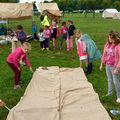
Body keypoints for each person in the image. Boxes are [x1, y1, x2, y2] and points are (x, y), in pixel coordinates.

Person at [100, 31, 120, 103]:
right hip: (107, 65)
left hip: (115, 67)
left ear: (115, 38)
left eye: (111, 38)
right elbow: (104, 54)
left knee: (116, 81)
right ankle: (109, 93)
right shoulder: (107, 44)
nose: (109, 39)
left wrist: (117, 69)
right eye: (108, 37)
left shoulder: (118, 46)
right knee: (109, 80)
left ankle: (119, 96)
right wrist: (102, 63)